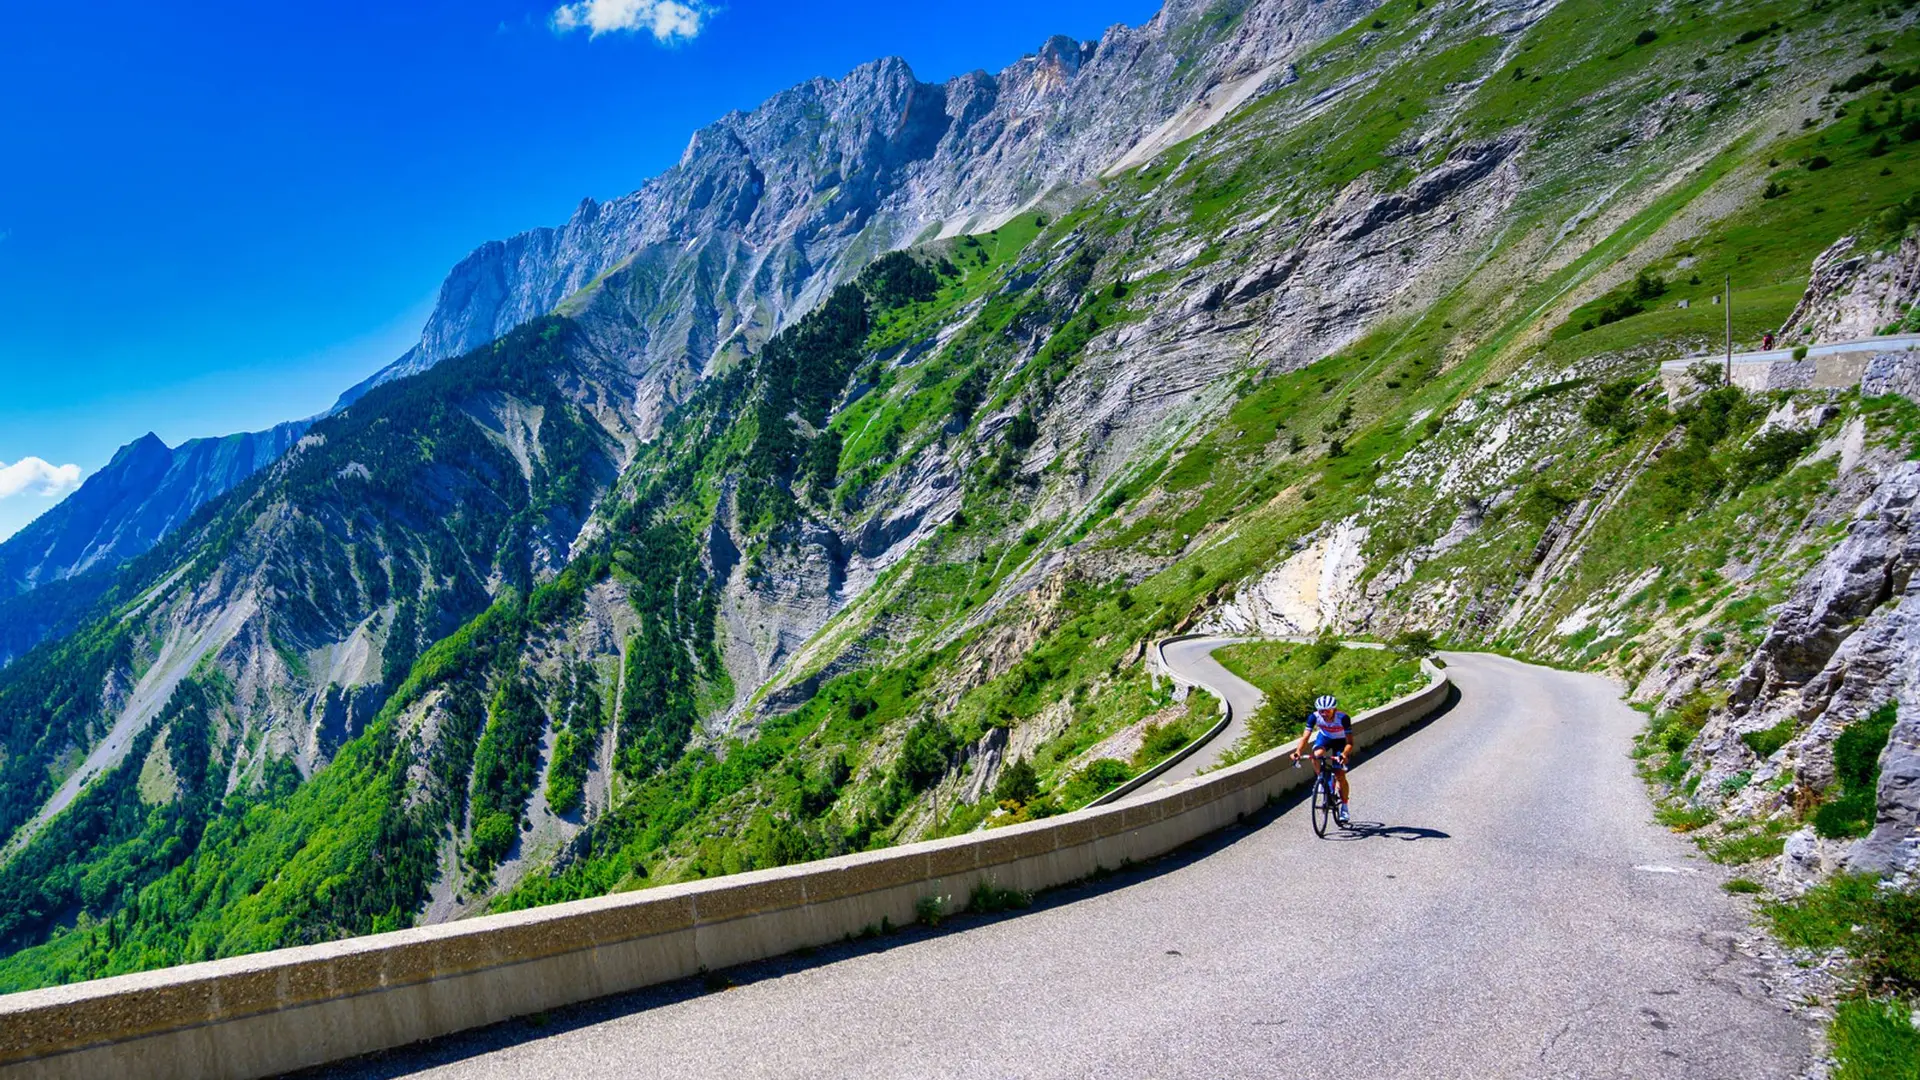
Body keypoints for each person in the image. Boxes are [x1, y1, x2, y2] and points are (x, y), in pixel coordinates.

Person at [1291, 694, 1353, 825]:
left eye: (1327, 711)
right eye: (1321, 711)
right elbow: (1305, 737)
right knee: (1316, 754)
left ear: (1334, 709)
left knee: (1340, 775)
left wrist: (1344, 754)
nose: (1324, 714)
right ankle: (1321, 779)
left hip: (1341, 741)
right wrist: (1298, 752)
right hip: (1325, 737)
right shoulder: (1314, 717)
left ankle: (1345, 808)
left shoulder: (1343, 718)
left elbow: (1350, 743)